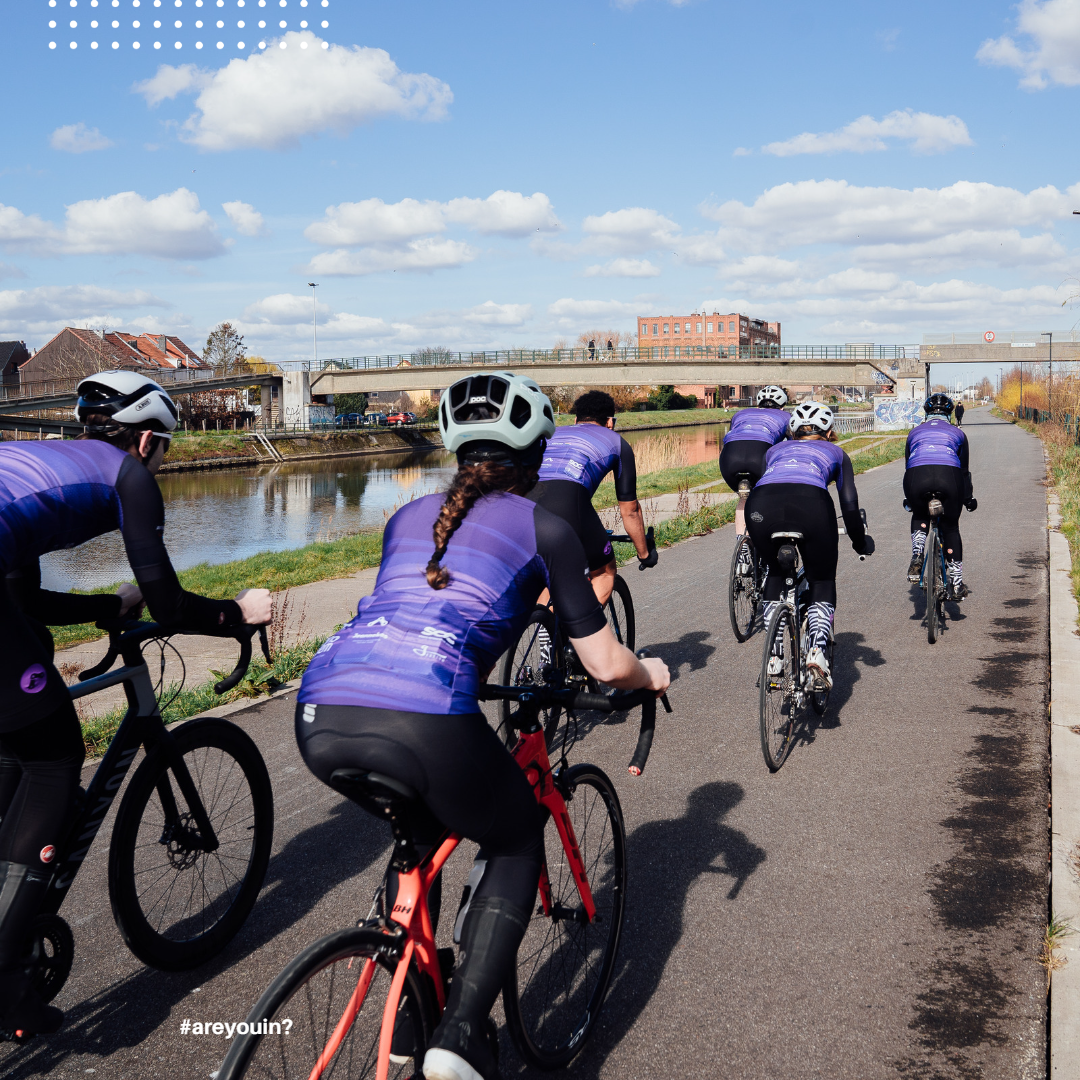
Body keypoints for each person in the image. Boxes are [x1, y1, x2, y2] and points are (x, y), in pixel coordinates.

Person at [294, 372, 669, 1080]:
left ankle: (410, 1012)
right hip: (426, 716)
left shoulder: (407, 517)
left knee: (422, 837)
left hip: (321, 709)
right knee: (515, 835)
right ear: (537, 455)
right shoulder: (545, 525)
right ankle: (459, 1037)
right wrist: (650, 674)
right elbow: (603, 662)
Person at [0, 370, 272, 1036]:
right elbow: (174, 606)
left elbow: (24, 599)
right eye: (167, 449)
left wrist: (102, 606)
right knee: (53, 760)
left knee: (17, 741)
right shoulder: (131, 477)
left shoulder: (28, 460)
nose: (163, 461)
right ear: (148, 438)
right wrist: (238, 613)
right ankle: (3, 984)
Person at [745, 401, 873, 688]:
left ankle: (774, 657)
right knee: (822, 579)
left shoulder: (774, 450)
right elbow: (849, 505)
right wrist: (859, 540)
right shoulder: (836, 452)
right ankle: (817, 651)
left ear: (793, 430)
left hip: (761, 508)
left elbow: (769, 481)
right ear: (828, 431)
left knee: (775, 574)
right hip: (811, 507)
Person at [529, 389, 654, 606]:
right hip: (569, 502)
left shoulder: (552, 433)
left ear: (575, 419)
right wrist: (644, 554)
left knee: (547, 575)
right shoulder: (616, 441)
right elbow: (629, 509)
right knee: (605, 572)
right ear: (610, 422)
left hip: (523, 503)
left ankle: (546, 632)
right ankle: (584, 635)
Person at [904, 393, 975, 599]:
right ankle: (956, 584)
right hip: (949, 477)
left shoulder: (914, 433)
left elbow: (909, 464)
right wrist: (968, 498)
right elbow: (964, 471)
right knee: (950, 527)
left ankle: (917, 553)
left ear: (926, 413)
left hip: (917, 477)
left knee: (919, 516)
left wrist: (911, 497)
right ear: (950, 413)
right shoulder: (958, 433)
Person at [719, 385, 791, 540]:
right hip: (759, 457)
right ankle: (765, 537)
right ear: (783, 406)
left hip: (729, 459)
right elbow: (792, 447)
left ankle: (742, 544)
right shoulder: (786, 417)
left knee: (744, 497)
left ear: (758, 404)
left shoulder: (740, 414)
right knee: (772, 495)